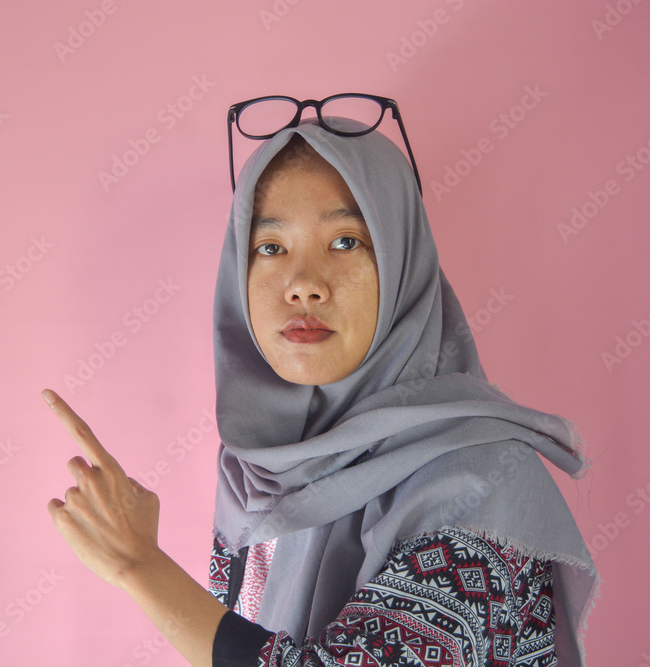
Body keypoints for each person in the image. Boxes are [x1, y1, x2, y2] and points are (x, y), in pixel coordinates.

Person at [45, 97, 599, 667]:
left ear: (403, 263)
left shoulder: (481, 483)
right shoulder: (261, 467)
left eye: (344, 243)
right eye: (270, 247)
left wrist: (140, 566)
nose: (303, 284)